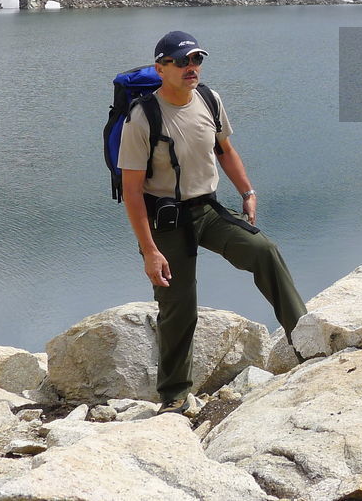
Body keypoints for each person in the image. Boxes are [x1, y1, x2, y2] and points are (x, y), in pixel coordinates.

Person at [118, 30, 306, 414]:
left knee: (264, 251)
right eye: (182, 61)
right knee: (178, 306)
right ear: (161, 67)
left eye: (197, 60)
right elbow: (132, 192)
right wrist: (150, 252)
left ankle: (306, 341)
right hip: (165, 220)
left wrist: (248, 192)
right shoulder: (142, 118)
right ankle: (173, 397)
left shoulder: (209, 99)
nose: (192, 68)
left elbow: (225, 149)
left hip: (207, 209)